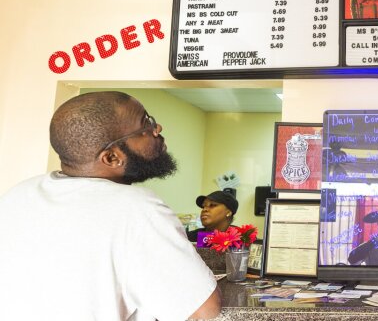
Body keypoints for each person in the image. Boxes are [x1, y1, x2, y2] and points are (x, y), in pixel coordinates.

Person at [0, 91, 221, 320]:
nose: (158, 128)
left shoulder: (17, 194)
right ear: (112, 158)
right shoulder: (134, 207)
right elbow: (203, 311)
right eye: (146, 123)